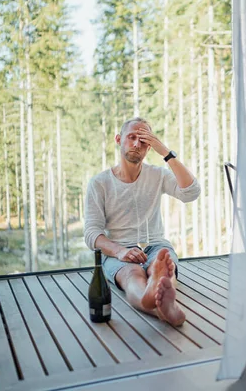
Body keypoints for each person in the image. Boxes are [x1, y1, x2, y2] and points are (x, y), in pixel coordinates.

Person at [84, 117, 200, 326]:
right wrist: (119, 251)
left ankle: (161, 295)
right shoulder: (100, 183)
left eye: (144, 141)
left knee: (163, 265)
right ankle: (162, 308)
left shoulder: (158, 175)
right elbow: (92, 233)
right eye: (132, 137)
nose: (137, 144)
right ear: (119, 139)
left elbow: (191, 192)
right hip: (119, 249)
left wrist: (165, 152)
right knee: (131, 274)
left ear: (149, 148)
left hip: (155, 244)